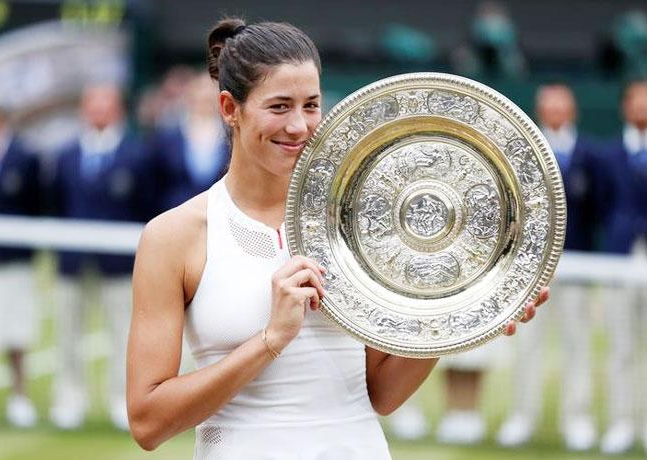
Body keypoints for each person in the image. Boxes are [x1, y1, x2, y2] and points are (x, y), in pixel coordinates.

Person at [126, 18, 548, 459]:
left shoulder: (358, 222)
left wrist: (460, 316)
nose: (299, 126)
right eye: (279, 107)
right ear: (230, 108)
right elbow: (148, 422)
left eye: (311, 105)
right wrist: (270, 339)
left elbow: (381, 394)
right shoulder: (174, 237)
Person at [496, 83, 600, 451]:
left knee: (577, 343)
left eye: (561, 104)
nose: (555, 110)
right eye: (549, 104)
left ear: (572, 110)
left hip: (579, 262)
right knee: (526, 345)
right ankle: (522, 416)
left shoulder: (590, 154)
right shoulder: (520, 155)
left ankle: (578, 420)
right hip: (529, 269)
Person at [49, 82, 153, 431]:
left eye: (104, 104)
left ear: (118, 109)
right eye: (92, 104)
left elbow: (146, 207)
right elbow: (55, 206)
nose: (97, 112)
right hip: (72, 263)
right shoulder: (66, 155)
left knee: (123, 335)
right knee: (68, 334)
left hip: (119, 265)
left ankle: (120, 401)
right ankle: (69, 399)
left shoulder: (137, 155)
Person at [0, 101, 40, 427]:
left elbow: (37, 205)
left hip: (13, 259)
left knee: (15, 331)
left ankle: (19, 396)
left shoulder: (24, 156)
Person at [598, 79, 647, 455]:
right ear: (625, 107)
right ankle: (620, 423)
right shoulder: (609, 156)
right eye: (637, 100)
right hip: (619, 260)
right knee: (620, 347)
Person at [150, 71, 230, 214]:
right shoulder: (168, 137)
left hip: (220, 215)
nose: (205, 98)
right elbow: (153, 184)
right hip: (174, 215)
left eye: (210, 92)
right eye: (200, 91)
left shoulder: (233, 137)